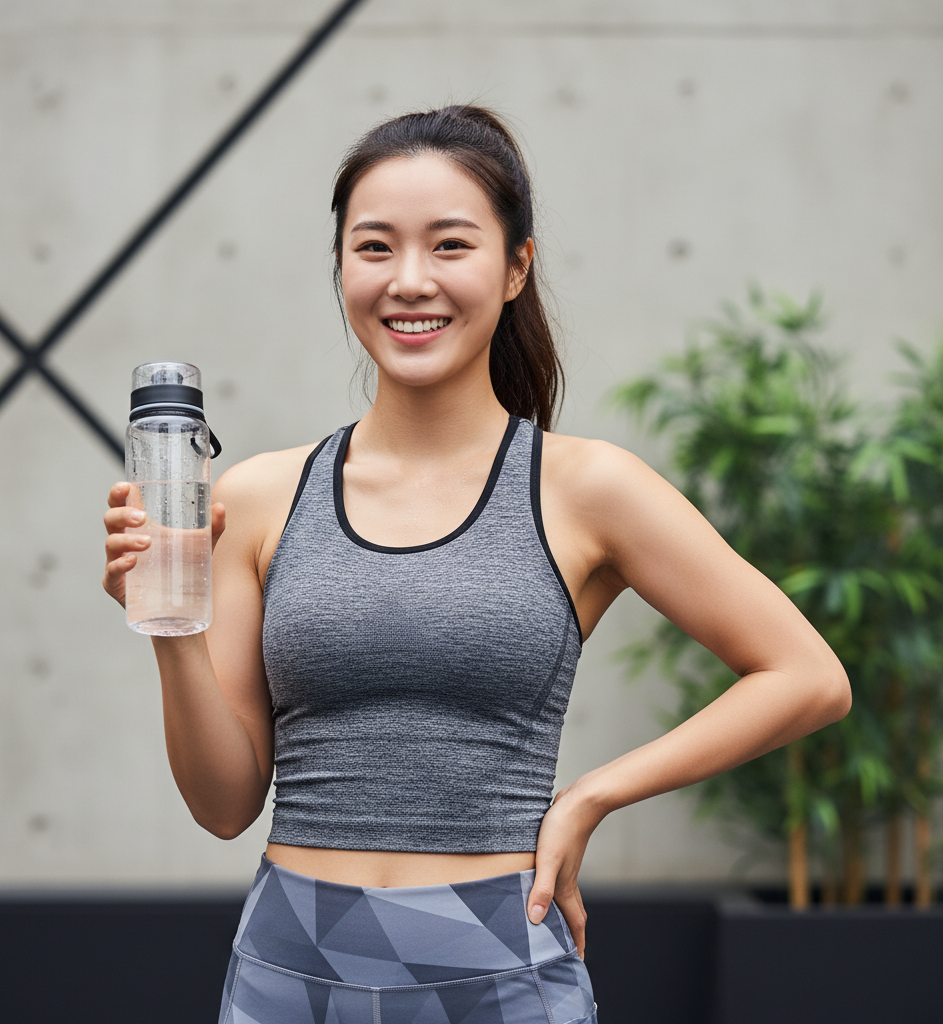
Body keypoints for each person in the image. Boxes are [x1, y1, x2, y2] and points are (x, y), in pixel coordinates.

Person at [102, 105, 850, 1024]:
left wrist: (593, 796)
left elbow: (808, 676)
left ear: (515, 266)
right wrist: (170, 625)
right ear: (340, 266)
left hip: (498, 966)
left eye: (449, 245)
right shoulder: (259, 495)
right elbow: (224, 805)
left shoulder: (586, 489)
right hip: (287, 969)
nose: (409, 281)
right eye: (373, 248)